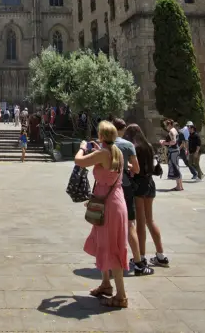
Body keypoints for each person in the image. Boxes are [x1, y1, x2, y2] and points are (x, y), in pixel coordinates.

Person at [75, 121, 130, 309]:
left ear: (101, 135)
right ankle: (106, 284)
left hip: (108, 205)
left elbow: (79, 161)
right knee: (103, 243)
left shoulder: (103, 153)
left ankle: (121, 296)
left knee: (112, 246)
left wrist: (82, 148)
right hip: (113, 201)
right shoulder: (117, 152)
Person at [123, 124, 169, 268]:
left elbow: (136, 169)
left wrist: (127, 166)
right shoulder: (148, 145)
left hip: (139, 186)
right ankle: (161, 255)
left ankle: (141, 257)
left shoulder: (134, 147)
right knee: (150, 220)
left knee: (140, 223)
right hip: (150, 184)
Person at [112, 119, 149, 276]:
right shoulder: (127, 145)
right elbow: (137, 169)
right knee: (130, 225)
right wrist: (126, 165)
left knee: (109, 226)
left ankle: (111, 261)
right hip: (124, 186)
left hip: (107, 189)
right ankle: (139, 262)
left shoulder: (104, 146)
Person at [162, 120, 183, 192]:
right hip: (175, 150)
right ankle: (180, 185)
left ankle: (179, 186)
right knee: (176, 166)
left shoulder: (171, 131)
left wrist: (164, 143)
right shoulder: (174, 130)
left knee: (175, 167)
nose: (165, 127)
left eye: (166, 125)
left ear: (169, 125)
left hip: (173, 150)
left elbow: (173, 142)